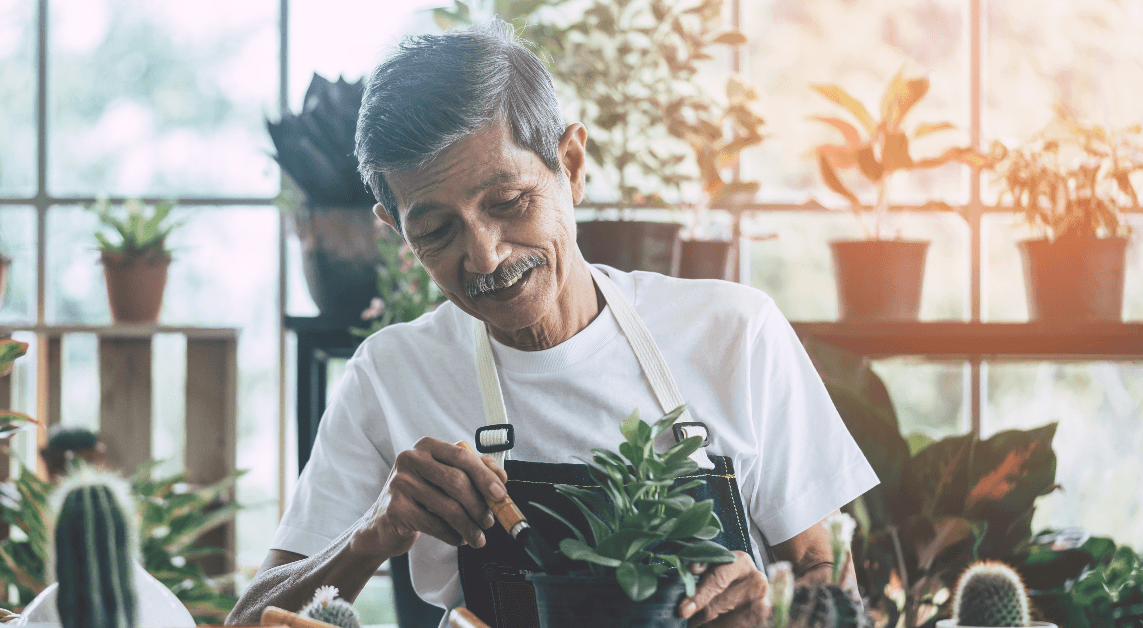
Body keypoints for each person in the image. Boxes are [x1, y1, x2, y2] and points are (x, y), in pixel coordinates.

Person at [228, 21, 878, 628]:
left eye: (508, 204)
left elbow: (836, 579)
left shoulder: (735, 332)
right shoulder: (391, 374)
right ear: (396, 228)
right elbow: (251, 619)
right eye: (435, 230)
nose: (484, 254)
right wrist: (371, 533)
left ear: (571, 165)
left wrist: (775, 599)